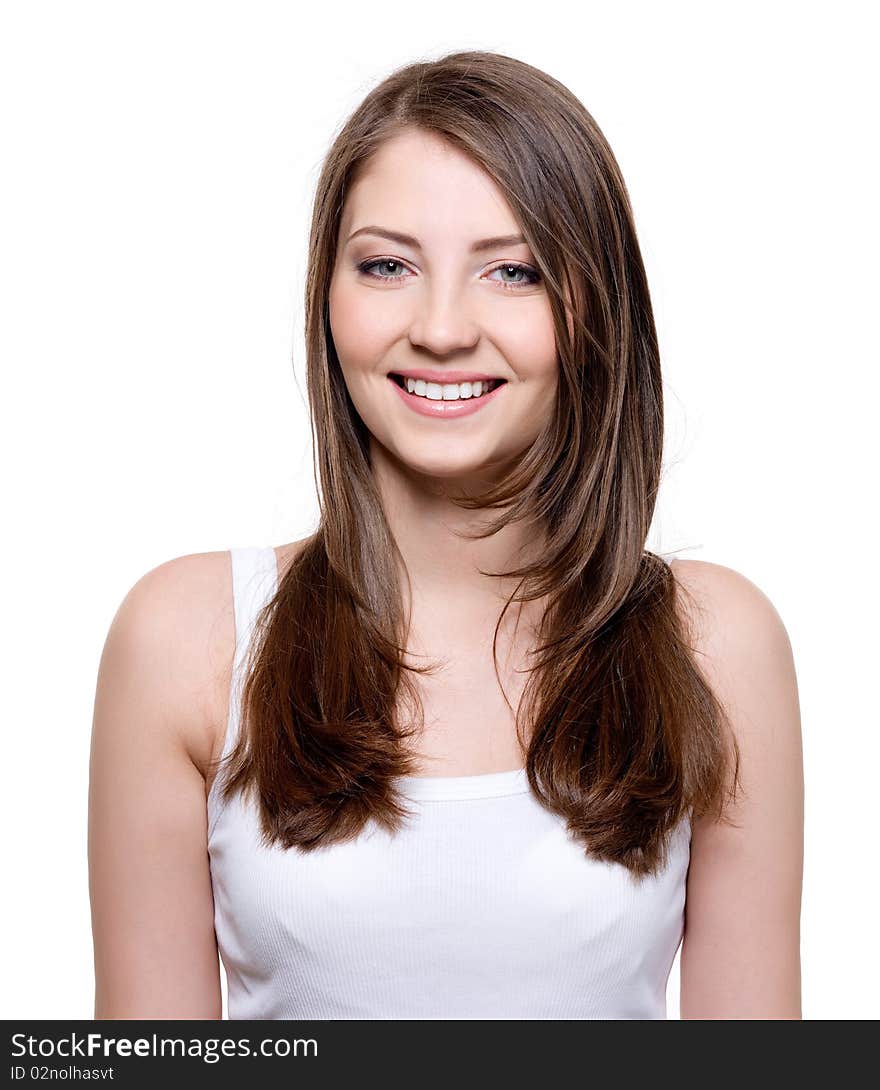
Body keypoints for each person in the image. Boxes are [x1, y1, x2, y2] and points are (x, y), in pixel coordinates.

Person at [88, 49, 804, 1020]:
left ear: (592, 305)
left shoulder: (714, 644)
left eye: (512, 271)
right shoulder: (186, 640)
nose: (439, 327)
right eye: (386, 265)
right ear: (326, 298)